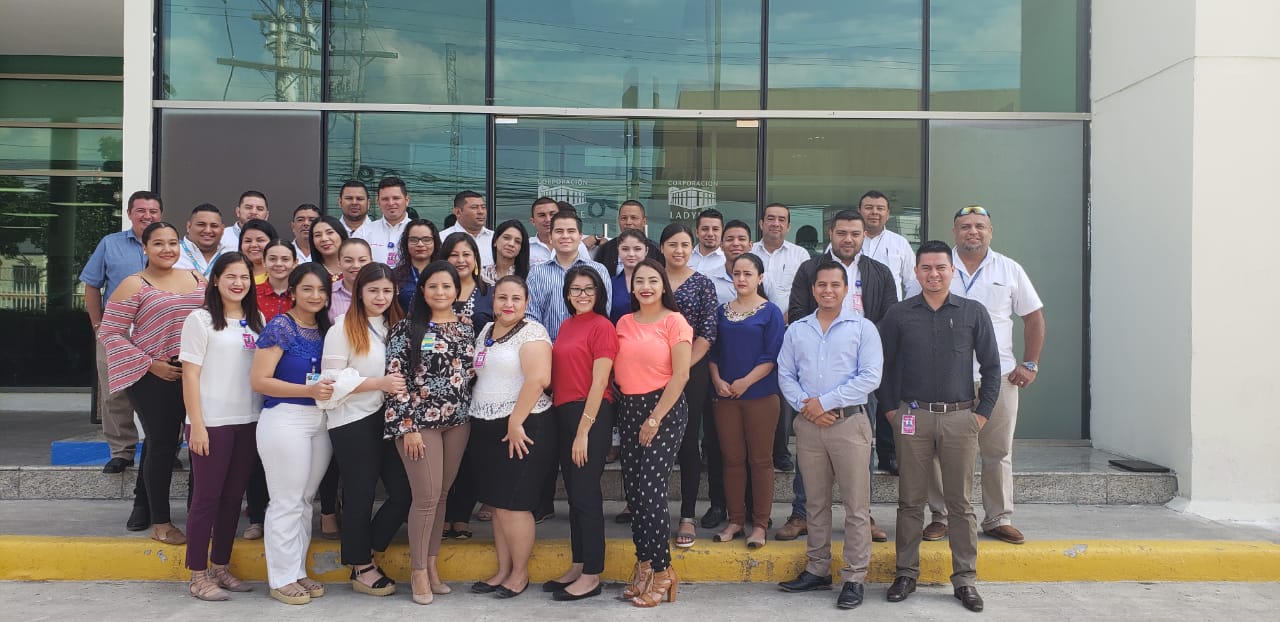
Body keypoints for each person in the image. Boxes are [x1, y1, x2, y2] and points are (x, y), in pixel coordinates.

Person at [879, 240, 1001, 613]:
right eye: (927, 268)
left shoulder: (972, 312)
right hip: (912, 417)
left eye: (941, 268)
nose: (934, 274)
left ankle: (965, 579)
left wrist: (980, 415)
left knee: (960, 503)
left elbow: (992, 367)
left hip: (960, 418)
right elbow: (883, 366)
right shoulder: (899, 314)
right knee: (910, 501)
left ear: (951, 271)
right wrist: (891, 411)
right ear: (916, 272)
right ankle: (905, 573)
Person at [922, 205, 1045, 546]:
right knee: (938, 452)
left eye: (980, 226)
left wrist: (1030, 363)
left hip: (999, 377)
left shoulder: (1009, 269)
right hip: (944, 378)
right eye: (965, 226)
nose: (972, 231)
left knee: (997, 451)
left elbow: (1033, 317)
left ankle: (998, 518)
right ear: (954, 232)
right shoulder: (937, 266)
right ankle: (942, 516)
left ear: (991, 231)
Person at [780, 210, 898, 542]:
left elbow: (889, 318)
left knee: (862, 452)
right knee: (808, 453)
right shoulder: (810, 269)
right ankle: (801, 513)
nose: (848, 239)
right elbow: (798, 312)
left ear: (864, 236)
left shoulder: (879, 272)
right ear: (830, 233)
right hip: (814, 373)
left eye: (855, 234)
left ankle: (863, 514)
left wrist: (862, 347)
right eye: (842, 233)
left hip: (859, 377)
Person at [775, 260, 883, 611]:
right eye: (822, 285)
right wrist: (808, 408)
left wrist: (825, 402)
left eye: (835, 285)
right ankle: (818, 569)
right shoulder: (798, 330)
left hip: (849, 424)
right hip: (809, 427)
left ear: (846, 289)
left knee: (856, 506)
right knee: (815, 503)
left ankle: (854, 577)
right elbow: (785, 373)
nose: (828, 290)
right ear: (813, 289)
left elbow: (870, 377)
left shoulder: (863, 328)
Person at [98, 221, 206, 543]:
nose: (167, 249)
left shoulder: (196, 278)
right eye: (158, 243)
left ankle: (195, 515)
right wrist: (150, 364)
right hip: (153, 374)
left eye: (172, 242)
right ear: (144, 248)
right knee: (162, 443)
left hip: (193, 374)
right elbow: (110, 332)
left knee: (195, 444)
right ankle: (160, 522)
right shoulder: (134, 283)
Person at [385, 261, 477, 604]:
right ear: (422, 290)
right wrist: (408, 427)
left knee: (441, 496)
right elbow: (395, 381)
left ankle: (433, 565)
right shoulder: (406, 328)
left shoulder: (466, 327)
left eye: (447, 286)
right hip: (419, 424)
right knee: (425, 498)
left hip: (458, 421)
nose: (440, 292)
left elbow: (470, 374)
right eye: (433, 286)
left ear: (457, 290)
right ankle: (418, 571)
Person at [317, 263, 410, 598]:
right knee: (360, 492)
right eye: (373, 290)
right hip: (353, 420)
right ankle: (361, 566)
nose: (380, 297)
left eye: (386, 290)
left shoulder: (396, 325)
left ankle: (366, 546)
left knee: (404, 493)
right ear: (359, 292)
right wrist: (378, 383)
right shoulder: (342, 327)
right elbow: (330, 380)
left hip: (390, 419)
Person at [179, 252, 263, 601]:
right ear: (215, 280)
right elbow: (190, 375)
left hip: (248, 420)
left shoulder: (256, 319)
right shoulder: (200, 320)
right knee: (206, 499)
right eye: (230, 276)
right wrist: (196, 424)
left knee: (232, 498)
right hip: (211, 422)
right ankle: (197, 574)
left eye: (244, 277)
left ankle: (220, 567)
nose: (238, 283)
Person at [249, 263, 335, 605]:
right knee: (286, 500)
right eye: (307, 289)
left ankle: (296, 570)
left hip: (320, 421)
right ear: (293, 291)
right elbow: (260, 380)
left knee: (304, 500)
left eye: (322, 290)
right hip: (285, 419)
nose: (315, 296)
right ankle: (281, 578)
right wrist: (307, 391)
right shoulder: (281, 327)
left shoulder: (327, 329)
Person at [468, 276, 555, 599]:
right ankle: (503, 570)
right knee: (498, 504)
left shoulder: (533, 332)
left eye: (516, 298)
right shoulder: (486, 332)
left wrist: (516, 421)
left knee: (514, 504)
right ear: (492, 301)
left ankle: (519, 574)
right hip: (486, 427)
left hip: (523, 427)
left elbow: (538, 379)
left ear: (526, 302)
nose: (508, 304)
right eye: (502, 297)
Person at [614, 258, 691, 608]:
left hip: (664, 409)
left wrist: (655, 418)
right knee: (634, 493)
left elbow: (681, 375)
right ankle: (644, 565)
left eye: (653, 281)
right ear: (632, 288)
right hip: (629, 409)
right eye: (639, 281)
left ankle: (663, 571)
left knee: (650, 491)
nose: (645, 287)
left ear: (663, 286)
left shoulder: (674, 321)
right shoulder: (624, 322)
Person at [543, 266, 617, 601]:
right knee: (574, 495)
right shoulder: (567, 325)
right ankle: (578, 563)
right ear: (567, 294)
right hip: (564, 413)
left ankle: (592, 574)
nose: (582, 295)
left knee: (586, 494)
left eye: (589, 289)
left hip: (591, 414)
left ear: (599, 293)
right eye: (576, 289)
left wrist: (584, 431)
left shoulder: (603, 326)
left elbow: (600, 382)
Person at [81, 190, 161, 478]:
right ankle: (121, 452)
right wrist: (98, 326)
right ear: (129, 213)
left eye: (153, 211)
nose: (147, 216)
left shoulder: (171, 245)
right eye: (141, 210)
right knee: (115, 393)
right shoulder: (110, 244)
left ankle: (163, 448)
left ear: (160, 215)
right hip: (117, 330)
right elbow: (92, 285)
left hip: (159, 330)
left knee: (163, 391)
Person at [708, 253, 784, 549]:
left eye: (748, 274)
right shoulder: (721, 311)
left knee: (761, 460)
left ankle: (760, 524)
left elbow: (772, 356)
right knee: (732, 460)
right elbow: (713, 352)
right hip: (726, 397)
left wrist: (746, 381)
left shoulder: (771, 312)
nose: (741, 279)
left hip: (760, 396)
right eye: (737, 274)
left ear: (760, 278)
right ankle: (736, 520)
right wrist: (717, 380)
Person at [659, 223, 718, 546]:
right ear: (662, 248)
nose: (678, 250)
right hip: (651, 371)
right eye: (672, 244)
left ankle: (687, 515)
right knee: (652, 439)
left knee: (686, 441)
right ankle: (651, 510)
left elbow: (707, 333)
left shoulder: (703, 284)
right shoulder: (651, 279)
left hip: (691, 372)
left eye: (684, 245)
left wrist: (680, 368)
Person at [440, 231, 495, 538]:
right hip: (441, 383)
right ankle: (442, 513)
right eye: (454, 255)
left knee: (472, 450)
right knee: (445, 451)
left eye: (466, 254)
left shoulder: (489, 292)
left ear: (475, 258)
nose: (460, 260)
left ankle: (461, 514)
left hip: (480, 380)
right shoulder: (435, 288)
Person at [752, 202, 812, 478]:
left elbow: (803, 295)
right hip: (753, 331)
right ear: (761, 223)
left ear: (788, 226)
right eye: (770, 218)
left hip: (789, 331)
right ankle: (758, 449)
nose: (775, 223)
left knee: (784, 392)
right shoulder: (749, 252)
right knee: (758, 391)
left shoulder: (800, 255)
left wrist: (780, 320)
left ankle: (781, 451)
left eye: (781, 220)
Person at [243, 239, 297, 540]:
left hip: (294, 378)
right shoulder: (251, 294)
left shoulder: (302, 293)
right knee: (256, 451)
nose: (279, 264)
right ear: (263, 262)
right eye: (272, 258)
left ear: (294, 262)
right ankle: (257, 516)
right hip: (257, 375)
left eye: (285, 258)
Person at [526, 210, 612, 341]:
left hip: (587, 346)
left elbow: (603, 312)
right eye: (559, 231)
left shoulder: (599, 270)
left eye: (571, 231)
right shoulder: (536, 273)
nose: (565, 236)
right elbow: (531, 318)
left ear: (580, 236)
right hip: (545, 347)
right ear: (550, 237)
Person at [593, 200, 661, 276]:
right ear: (618, 220)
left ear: (644, 221)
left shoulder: (656, 251)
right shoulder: (605, 250)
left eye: (634, 218)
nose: (628, 222)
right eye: (624, 218)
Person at [392, 218, 441, 313]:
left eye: (426, 239)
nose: (420, 244)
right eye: (413, 240)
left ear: (435, 242)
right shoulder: (395, 275)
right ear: (406, 243)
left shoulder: (445, 273)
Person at [608, 229, 657, 324]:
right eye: (625, 249)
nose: (631, 254)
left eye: (637, 249)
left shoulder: (656, 281)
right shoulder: (610, 283)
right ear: (618, 250)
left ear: (646, 251)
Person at [528, 197, 591, 265]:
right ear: (533, 221)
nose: (548, 219)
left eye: (552, 214)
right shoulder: (527, 247)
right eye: (542, 215)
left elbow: (589, 268)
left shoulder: (576, 244)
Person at [440, 190, 495, 268]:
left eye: (483, 207)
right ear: (458, 212)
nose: (481, 212)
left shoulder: (495, 238)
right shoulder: (442, 239)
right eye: (474, 207)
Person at [366, 177, 412, 265]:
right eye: (385, 199)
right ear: (378, 202)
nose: (391, 203)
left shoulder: (419, 232)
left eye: (396, 198)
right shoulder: (364, 232)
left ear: (407, 200)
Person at [174, 203, 227, 277]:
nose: (208, 230)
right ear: (188, 227)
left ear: (222, 230)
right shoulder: (172, 253)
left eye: (214, 226)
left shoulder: (229, 254)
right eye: (201, 225)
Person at [330, 238, 373, 321]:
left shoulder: (381, 292)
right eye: (348, 261)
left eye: (362, 260)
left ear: (371, 261)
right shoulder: (328, 294)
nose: (356, 265)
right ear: (339, 263)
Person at [482, 219, 531, 285]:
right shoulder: (482, 274)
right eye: (506, 238)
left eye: (517, 241)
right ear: (495, 241)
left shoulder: (530, 277)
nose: (511, 244)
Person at [308, 215, 349, 283]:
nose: (324, 239)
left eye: (330, 232)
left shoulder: (355, 269)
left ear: (341, 235)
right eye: (318, 235)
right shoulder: (310, 273)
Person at [239, 219, 278, 286]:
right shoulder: (235, 273)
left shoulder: (284, 273)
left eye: (260, 240)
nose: (253, 245)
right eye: (248, 241)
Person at [688, 208, 725, 275]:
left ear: (722, 233)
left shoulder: (727, 261)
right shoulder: (685, 257)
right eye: (705, 229)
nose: (710, 234)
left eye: (715, 229)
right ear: (696, 232)